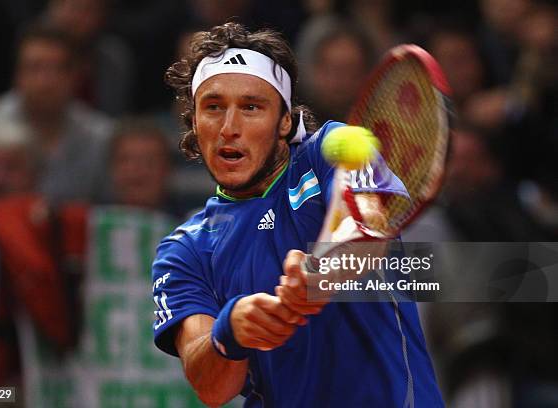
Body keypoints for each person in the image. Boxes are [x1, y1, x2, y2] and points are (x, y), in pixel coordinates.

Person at [152, 22, 443, 407]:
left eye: (251, 107)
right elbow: (212, 388)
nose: (229, 128)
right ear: (194, 122)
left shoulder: (334, 149)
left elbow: (366, 229)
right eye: (213, 107)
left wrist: (322, 271)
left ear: (285, 121)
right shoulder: (185, 249)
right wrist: (230, 332)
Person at [0, 23, 113, 204]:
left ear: (76, 76)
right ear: (17, 75)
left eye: (56, 69)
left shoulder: (100, 136)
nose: (45, 82)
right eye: (35, 68)